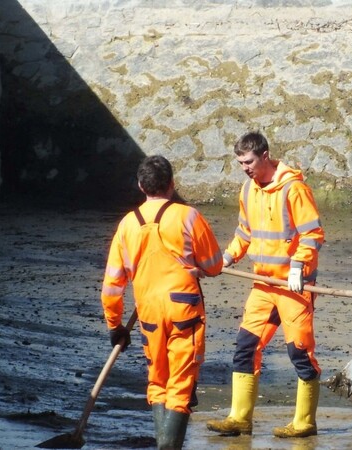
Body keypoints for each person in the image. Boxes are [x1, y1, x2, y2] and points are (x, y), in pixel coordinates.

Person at [206, 131, 325, 438]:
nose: (245, 168)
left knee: (300, 352)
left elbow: (313, 234)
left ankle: (305, 423)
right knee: (245, 347)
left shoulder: (294, 189)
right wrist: (227, 258)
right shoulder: (248, 190)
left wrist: (298, 267)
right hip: (262, 284)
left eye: (248, 162)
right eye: (240, 163)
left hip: (293, 287)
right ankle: (239, 418)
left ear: (265, 155)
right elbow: (245, 233)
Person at [100, 155, 223, 449]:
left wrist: (115, 326)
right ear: (172, 184)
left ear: (141, 186)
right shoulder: (188, 216)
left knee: (157, 381)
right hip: (184, 309)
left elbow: (112, 286)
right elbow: (215, 265)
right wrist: (198, 267)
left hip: (149, 311)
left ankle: (163, 443)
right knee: (180, 385)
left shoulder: (127, 225)